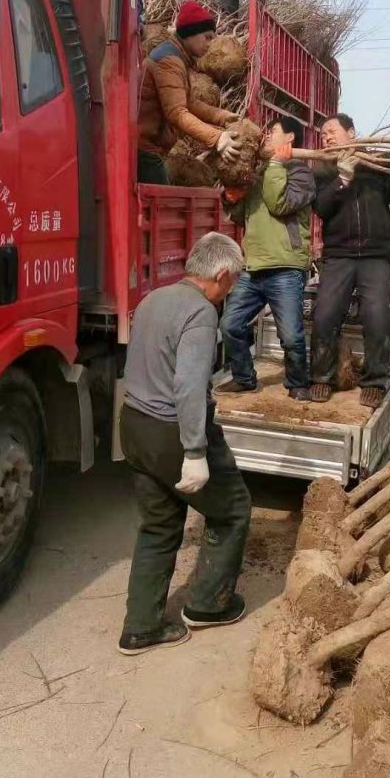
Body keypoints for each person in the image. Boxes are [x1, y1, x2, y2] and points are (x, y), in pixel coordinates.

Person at [118, 232, 252, 655]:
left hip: (134, 424)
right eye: (233, 282)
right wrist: (195, 452)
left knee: (158, 525)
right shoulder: (200, 313)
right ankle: (208, 606)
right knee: (232, 510)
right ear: (223, 275)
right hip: (170, 431)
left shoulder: (154, 299)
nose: (231, 290)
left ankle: (140, 627)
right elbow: (190, 386)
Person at [309, 113, 390, 409]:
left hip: (374, 255)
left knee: (377, 318)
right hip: (339, 255)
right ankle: (321, 377)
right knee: (324, 316)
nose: (327, 137)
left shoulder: (375, 163)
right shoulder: (322, 170)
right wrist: (342, 179)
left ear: (352, 133)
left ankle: (374, 380)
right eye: (323, 134)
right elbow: (320, 208)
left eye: (332, 131)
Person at [219, 116, 315, 400]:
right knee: (230, 324)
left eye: (272, 132)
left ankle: (297, 383)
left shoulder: (300, 173)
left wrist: (275, 165)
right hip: (255, 267)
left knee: (291, 336)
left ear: (289, 139)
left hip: (286, 266)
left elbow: (280, 204)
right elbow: (242, 217)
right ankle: (244, 378)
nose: (266, 136)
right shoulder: (260, 171)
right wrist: (232, 199)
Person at [138, 0, 241, 184]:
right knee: (160, 208)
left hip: (147, 149)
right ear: (190, 34)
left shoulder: (175, 57)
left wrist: (222, 116)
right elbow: (177, 113)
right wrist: (217, 138)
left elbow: (189, 102)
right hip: (144, 151)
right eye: (207, 37)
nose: (210, 44)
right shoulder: (169, 61)